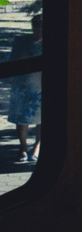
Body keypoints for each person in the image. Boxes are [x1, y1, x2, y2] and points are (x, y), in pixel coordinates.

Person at [8, 14, 42, 163]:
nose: (38, 29)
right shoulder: (21, 41)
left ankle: (37, 145)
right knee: (22, 119)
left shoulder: (52, 42)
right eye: (36, 26)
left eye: (41, 26)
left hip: (41, 85)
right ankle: (23, 146)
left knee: (41, 119)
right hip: (22, 85)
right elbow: (12, 61)